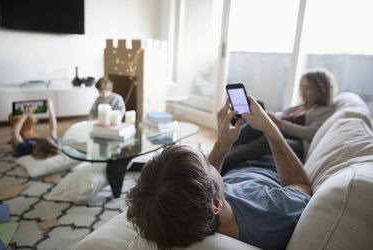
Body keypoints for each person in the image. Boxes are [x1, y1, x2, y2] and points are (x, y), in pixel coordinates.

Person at [126, 96, 312, 250]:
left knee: (246, 126)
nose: (210, 162)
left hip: (235, 172)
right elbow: (303, 187)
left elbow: (202, 187)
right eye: (207, 165)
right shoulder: (273, 211)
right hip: (267, 166)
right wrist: (271, 128)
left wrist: (223, 144)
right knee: (261, 128)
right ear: (215, 203)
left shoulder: (186, 211)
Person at [221, 68, 337, 175]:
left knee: (268, 137)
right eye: (301, 86)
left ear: (322, 90)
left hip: (295, 143)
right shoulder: (299, 107)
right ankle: (226, 145)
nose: (303, 91)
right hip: (279, 130)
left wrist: (278, 123)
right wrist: (266, 116)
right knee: (259, 107)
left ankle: (227, 158)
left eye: (308, 88)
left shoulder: (324, 111)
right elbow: (280, 117)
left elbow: (310, 134)